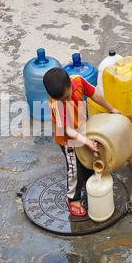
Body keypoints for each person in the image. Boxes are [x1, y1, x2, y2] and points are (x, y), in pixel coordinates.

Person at [43, 67, 120, 217]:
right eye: (62, 100)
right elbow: (68, 130)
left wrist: (111, 109)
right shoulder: (56, 104)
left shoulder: (78, 81)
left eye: (67, 96)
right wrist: (85, 140)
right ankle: (73, 198)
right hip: (68, 139)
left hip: (83, 128)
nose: (66, 101)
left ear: (70, 84)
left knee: (90, 159)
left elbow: (95, 94)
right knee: (75, 169)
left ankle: (89, 184)